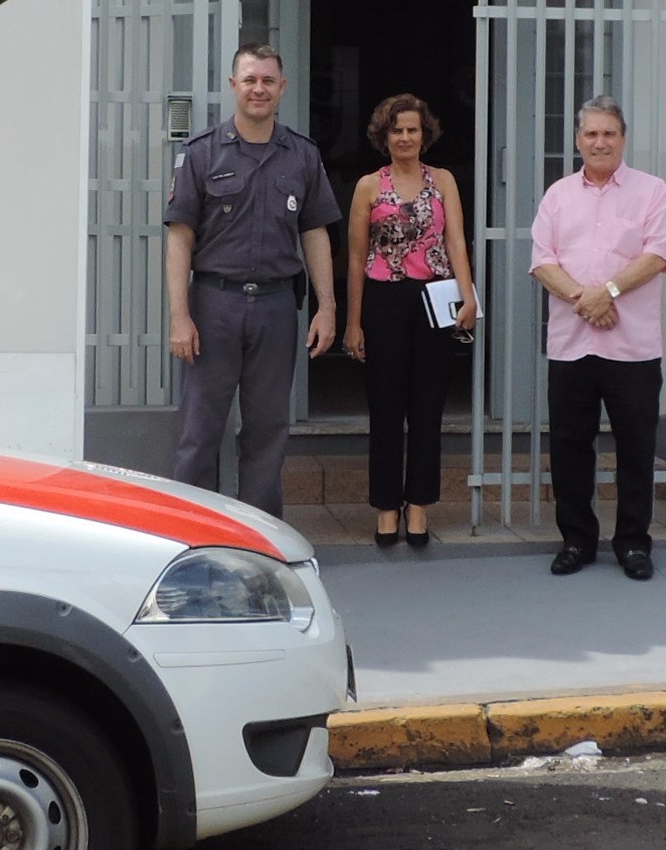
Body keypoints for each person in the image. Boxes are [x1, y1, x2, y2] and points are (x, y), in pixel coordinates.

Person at [165, 45, 340, 517]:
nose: (258, 89)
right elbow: (180, 237)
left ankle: (258, 537)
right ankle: (191, 533)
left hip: (276, 307)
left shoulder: (302, 156)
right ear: (233, 85)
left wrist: (327, 307)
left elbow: (315, 232)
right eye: (249, 80)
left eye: (267, 80)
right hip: (213, 305)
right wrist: (180, 316)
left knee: (267, 430)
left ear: (282, 88)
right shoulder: (201, 153)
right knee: (200, 430)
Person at [527, 96, 666, 580]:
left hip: (632, 346)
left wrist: (606, 291)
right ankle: (576, 540)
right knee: (570, 445)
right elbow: (542, 260)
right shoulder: (558, 195)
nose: (600, 142)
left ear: (623, 138)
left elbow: (656, 256)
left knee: (636, 447)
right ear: (577, 140)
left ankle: (633, 543)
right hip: (572, 344)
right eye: (590, 134)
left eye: (609, 133)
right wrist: (583, 299)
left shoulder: (652, 192)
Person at [342, 93, 477, 548]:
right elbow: (357, 257)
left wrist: (469, 295)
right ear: (385, 135)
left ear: (425, 135)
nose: (405, 137)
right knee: (384, 407)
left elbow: (457, 240)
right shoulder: (367, 186)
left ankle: (418, 504)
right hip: (382, 300)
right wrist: (353, 322)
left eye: (413, 130)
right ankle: (385, 506)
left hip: (433, 299)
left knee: (427, 406)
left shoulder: (443, 181)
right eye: (397, 130)